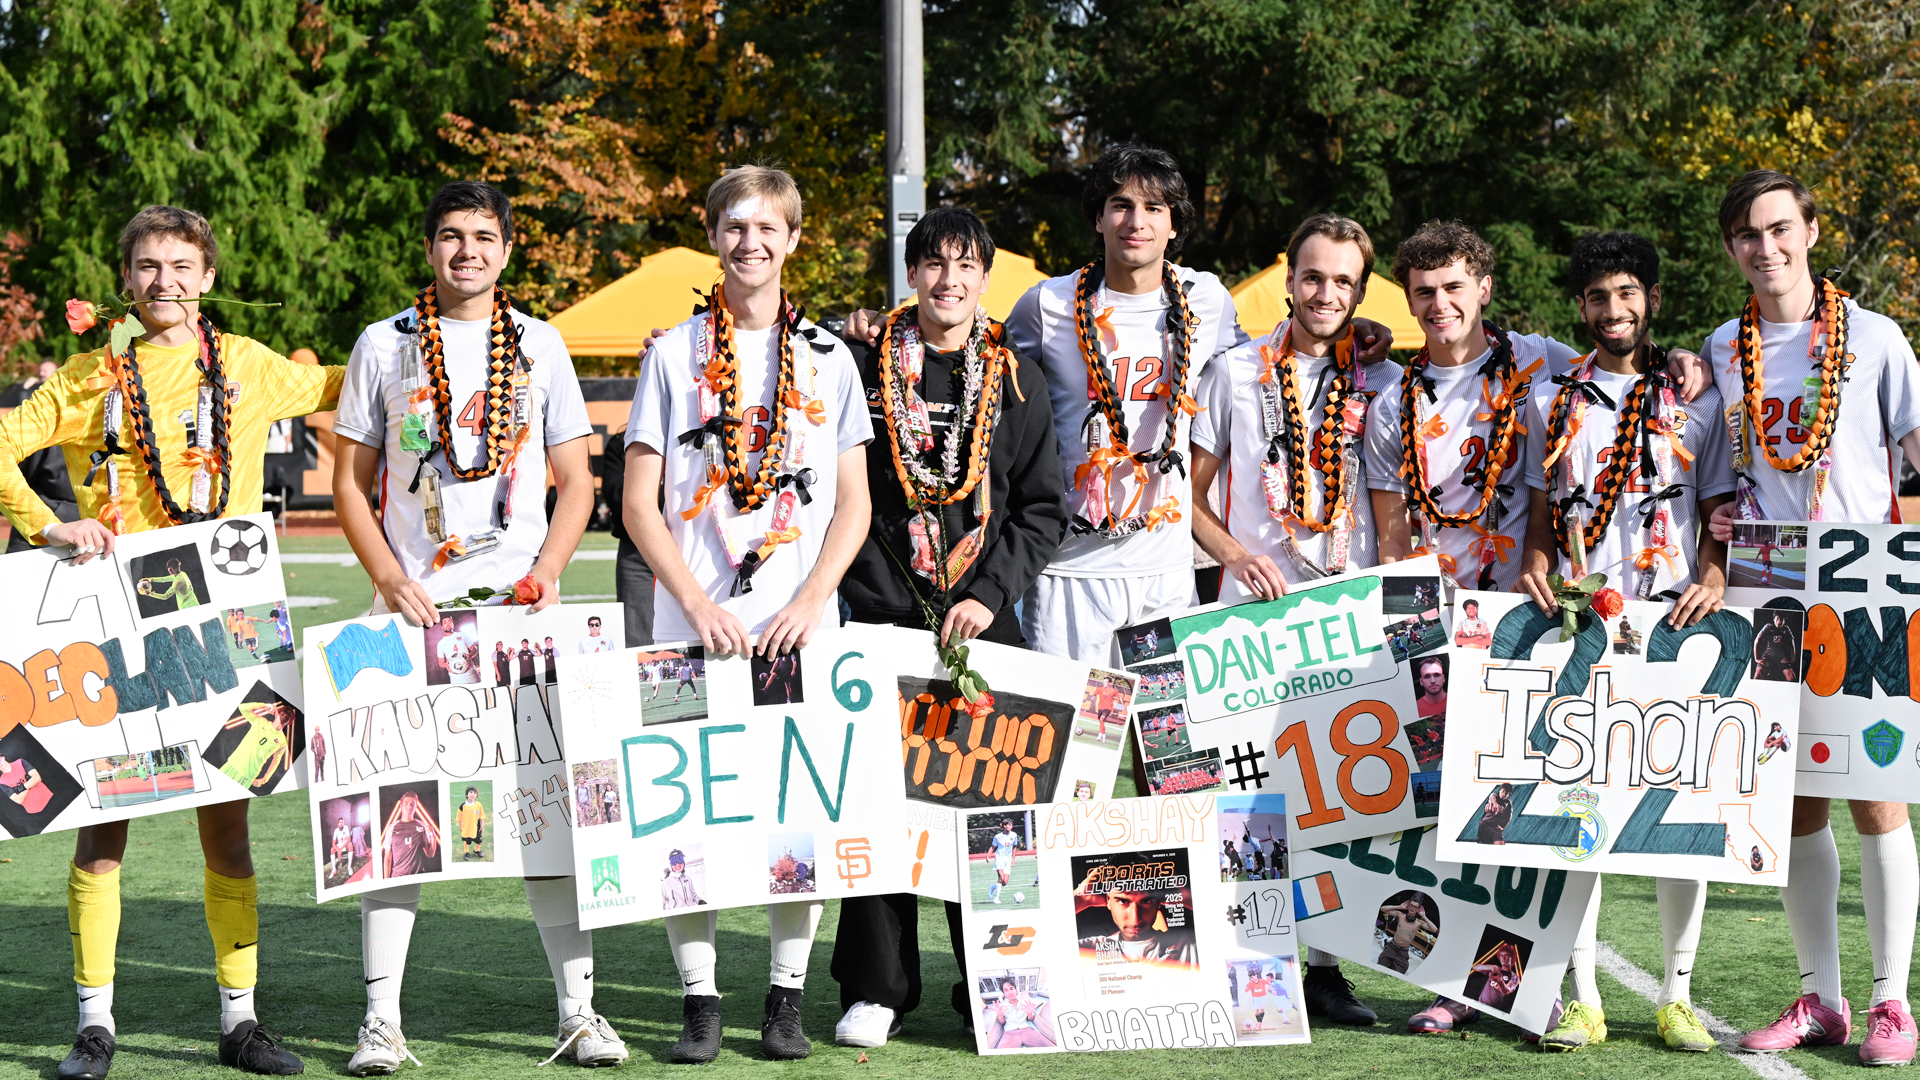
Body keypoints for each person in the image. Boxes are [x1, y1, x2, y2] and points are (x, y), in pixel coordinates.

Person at [0, 203, 343, 1079]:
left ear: (209, 278)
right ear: (126, 278)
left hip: (229, 627)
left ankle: (241, 1021)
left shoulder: (251, 365)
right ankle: (94, 1026)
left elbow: (349, 385)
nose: (166, 281)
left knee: (228, 831)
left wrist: (432, 349)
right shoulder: (91, 378)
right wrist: (48, 525)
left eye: (183, 266)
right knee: (101, 835)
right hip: (115, 632)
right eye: (149, 266)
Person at [330, 181, 622, 1071]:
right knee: (397, 819)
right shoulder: (384, 342)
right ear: (429, 247)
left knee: (550, 817)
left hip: (521, 618)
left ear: (507, 248)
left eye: (484, 236)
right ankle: (380, 1020)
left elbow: (577, 482)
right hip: (410, 615)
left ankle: (579, 1012)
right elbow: (349, 481)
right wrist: (390, 577)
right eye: (451, 236)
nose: (468, 252)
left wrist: (548, 570)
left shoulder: (540, 342)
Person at [623, 164, 872, 1063]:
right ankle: (699, 998)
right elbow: (640, 502)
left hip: (795, 632)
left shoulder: (832, 358)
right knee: (680, 819)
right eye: (735, 226)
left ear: (794, 239)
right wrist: (693, 604)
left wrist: (811, 599)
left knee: (795, 814)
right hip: (685, 633)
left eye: (768, 227)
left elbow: (854, 503)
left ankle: (785, 997)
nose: (751, 242)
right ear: (713, 235)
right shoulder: (671, 354)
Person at [826, 208, 1068, 1050]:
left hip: (983, 623)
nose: (949, 281)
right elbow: (842, 493)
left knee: (991, 813)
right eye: (934, 264)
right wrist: (875, 594)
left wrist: (990, 596)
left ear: (985, 278)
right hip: (884, 618)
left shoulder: (1017, 376)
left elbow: (1042, 509)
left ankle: (995, 986)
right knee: (879, 809)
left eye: (966, 265)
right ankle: (877, 989)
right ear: (912, 273)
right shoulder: (859, 365)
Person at [1701, 171, 1920, 1065]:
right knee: (1793, 801)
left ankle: (1892, 1003)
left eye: (1780, 228)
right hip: (1769, 588)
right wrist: (1719, 518)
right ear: (1731, 248)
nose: (1767, 248)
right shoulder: (1723, 346)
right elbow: (1716, 467)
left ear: (1812, 231)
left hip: (1865, 585)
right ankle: (1819, 999)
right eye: (1748, 235)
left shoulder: (1875, 337)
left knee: (1878, 792)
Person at [1507, 230, 1737, 1055]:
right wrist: (1537, 561)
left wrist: (1713, 577)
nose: (1614, 310)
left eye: (1628, 293)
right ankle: (1584, 998)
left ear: (1653, 300)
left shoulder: (1698, 400)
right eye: (1599, 296)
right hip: (1583, 626)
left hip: (1674, 625)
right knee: (1577, 812)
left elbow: (1714, 510)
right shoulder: (1550, 398)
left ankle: (1678, 995)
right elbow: (1541, 511)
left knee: (1683, 815)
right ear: (1581, 307)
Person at [1190, 214, 1402, 602]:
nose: (1326, 295)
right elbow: (1189, 493)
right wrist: (1236, 558)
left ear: (1361, 291)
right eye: (1312, 278)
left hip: (1357, 607)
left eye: (1343, 281)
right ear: (1289, 280)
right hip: (1256, 610)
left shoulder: (1390, 380)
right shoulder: (1233, 371)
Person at [1076, 888, 1197, 968]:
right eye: (1123, 901)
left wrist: (1186, 896)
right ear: (1108, 899)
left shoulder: (1187, 946)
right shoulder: (1091, 949)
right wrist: (1083, 898)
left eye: (1147, 901)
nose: (1136, 920)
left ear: (1159, 901)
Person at [1378, 898, 1437, 974]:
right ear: (1408, 906)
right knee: (1381, 965)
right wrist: (1399, 907)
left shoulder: (1419, 922)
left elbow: (1434, 929)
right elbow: (1383, 909)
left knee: (1400, 971)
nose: (1412, 908)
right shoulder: (1400, 915)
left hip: (1403, 950)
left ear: (1418, 909)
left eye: (1415, 907)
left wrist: (1423, 916)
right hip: (1392, 946)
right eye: (1411, 905)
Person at [433, 616, 478, 684]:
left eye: (450, 622)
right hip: (455, 678)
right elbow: (440, 662)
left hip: (471, 674)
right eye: (445, 622)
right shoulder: (440, 643)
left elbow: (475, 649)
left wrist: (470, 655)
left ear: (453, 624)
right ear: (442, 627)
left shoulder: (462, 635)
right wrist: (447, 665)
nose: (448, 624)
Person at [988, 820, 1020, 904]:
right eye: (1009, 825)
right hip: (999, 858)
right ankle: (996, 898)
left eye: (1012, 825)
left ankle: (992, 887)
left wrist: (1013, 859)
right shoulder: (997, 837)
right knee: (1001, 877)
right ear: (1004, 826)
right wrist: (988, 855)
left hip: (1007, 860)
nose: (1011, 826)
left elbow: (1014, 847)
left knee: (1005, 882)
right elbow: (993, 847)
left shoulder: (1014, 835)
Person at [456, 787, 484, 861]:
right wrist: (460, 827)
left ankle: (476, 850)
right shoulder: (462, 806)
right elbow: (459, 818)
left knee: (479, 841)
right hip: (466, 828)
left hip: (476, 827)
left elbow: (481, 816)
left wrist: (482, 825)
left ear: (476, 796)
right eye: (471, 792)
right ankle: (466, 852)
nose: (473, 794)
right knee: (467, 841)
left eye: (475, 793)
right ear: (466, 794)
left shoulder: (478, 805)